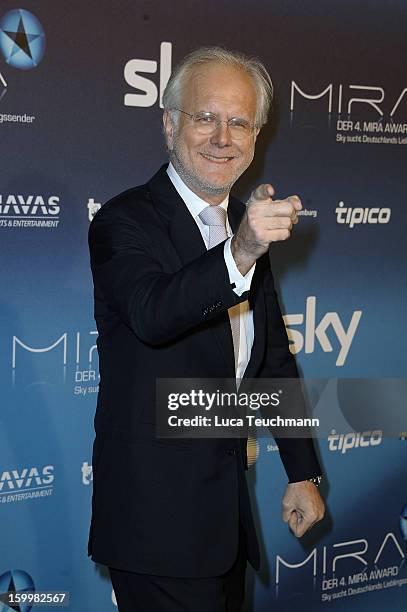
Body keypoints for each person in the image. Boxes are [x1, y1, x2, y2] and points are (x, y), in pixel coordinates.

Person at [88, 46, 325, 612]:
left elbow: (270, 361)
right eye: (205, 117)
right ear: (170, 125)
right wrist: (241, 250)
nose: (223, 136)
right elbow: (152, 312)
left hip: (225, 528)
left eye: (239, 122)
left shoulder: (245, 222)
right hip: (154, 529)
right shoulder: (124, 220)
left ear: (256, 135)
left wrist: (302, 472)